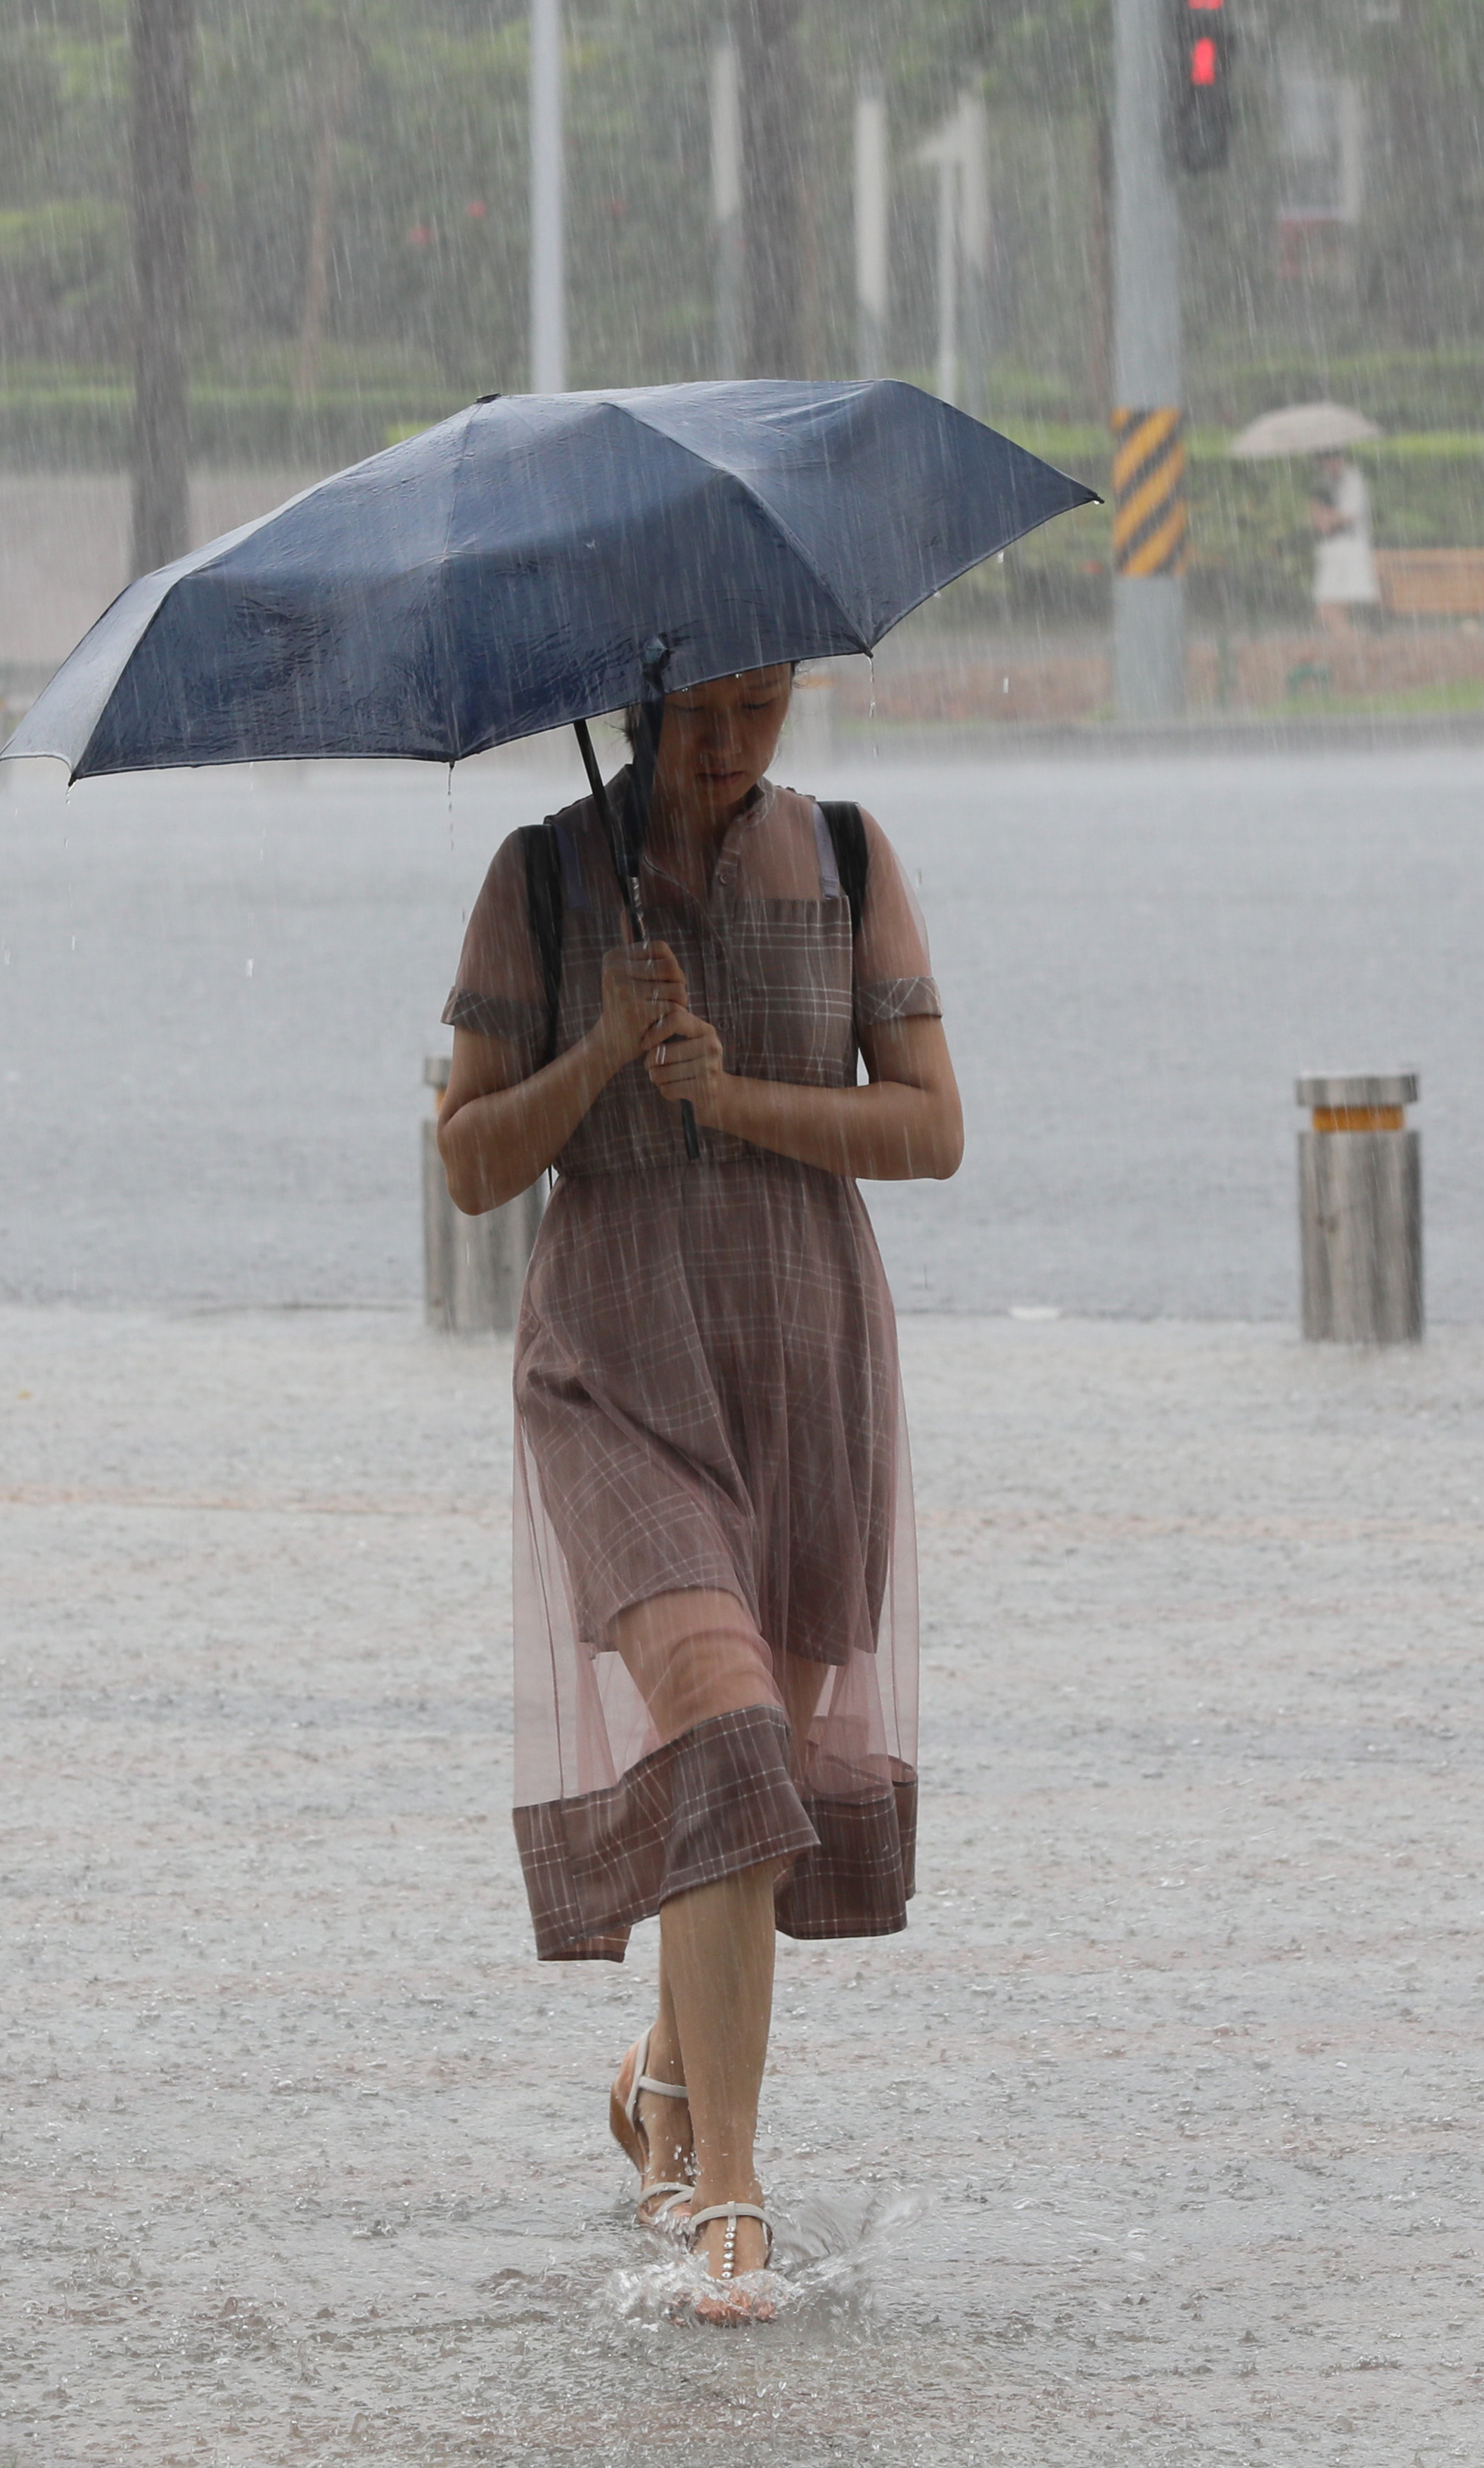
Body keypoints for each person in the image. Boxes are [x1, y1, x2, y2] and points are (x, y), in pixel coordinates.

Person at [436, 664, 962, 2322]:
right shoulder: (540, 877)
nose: (733, 738)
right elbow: (466, 1163)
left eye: (764, 700)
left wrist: (731, 1097)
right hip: (616, 1375)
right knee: (727, 1730)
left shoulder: (854, 860)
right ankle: (727, 2190)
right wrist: (600, 1049)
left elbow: (934, 1129)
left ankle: (662, 2081)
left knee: (766, 1776)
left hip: (806, 1372)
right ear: (638, 694)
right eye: (703, 707)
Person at [1310, 449, 1378, 635]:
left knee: (1341, 596)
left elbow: (1350, 514)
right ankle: (1345, 635)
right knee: (1328, 598)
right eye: (1326, 461)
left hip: (1350, 545)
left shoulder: (1353, 481)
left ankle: (1346, 636)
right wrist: (1320, 516)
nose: (1331, 465)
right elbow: (1318, 517)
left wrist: (1327, 518)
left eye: (1334, 460)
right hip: (1330, 547)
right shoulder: (1322, 483)